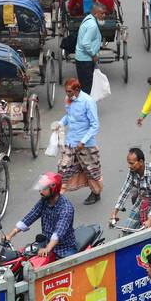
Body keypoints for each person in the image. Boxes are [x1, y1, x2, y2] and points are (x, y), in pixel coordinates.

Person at [7, 173, 78, 259]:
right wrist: (11, 234)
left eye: (44, 189)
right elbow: (31, 216)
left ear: (53, 189)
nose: (40, 191)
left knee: (66, 268)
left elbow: (58, 233)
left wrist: (47, 249)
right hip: (46, 242)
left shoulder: (66, 208)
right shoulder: (44, 201)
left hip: (64, 248)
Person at [57, 78, 103, 206]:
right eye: (66, 92)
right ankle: (58, 194)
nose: (67, 95)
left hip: (86, 144)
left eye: (69, 92)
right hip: (71, 142)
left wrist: (83, 141)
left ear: (77, 90)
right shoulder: (68, 100)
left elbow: (95, 125)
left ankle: (96, 192)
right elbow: (68, 116)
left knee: (91, 171)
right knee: (63, 168)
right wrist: (60, 123)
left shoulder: (88, 101)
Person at [73, 0, 102, 95]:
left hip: (81, 58)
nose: (104, 15)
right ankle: (86, 107)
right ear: (96, 13)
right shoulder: (92, 25)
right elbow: (85, 43)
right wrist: (93, 55)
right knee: (87, 87)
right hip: (86, 60)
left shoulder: (88, 19)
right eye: (102, 13)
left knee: (83, 85)